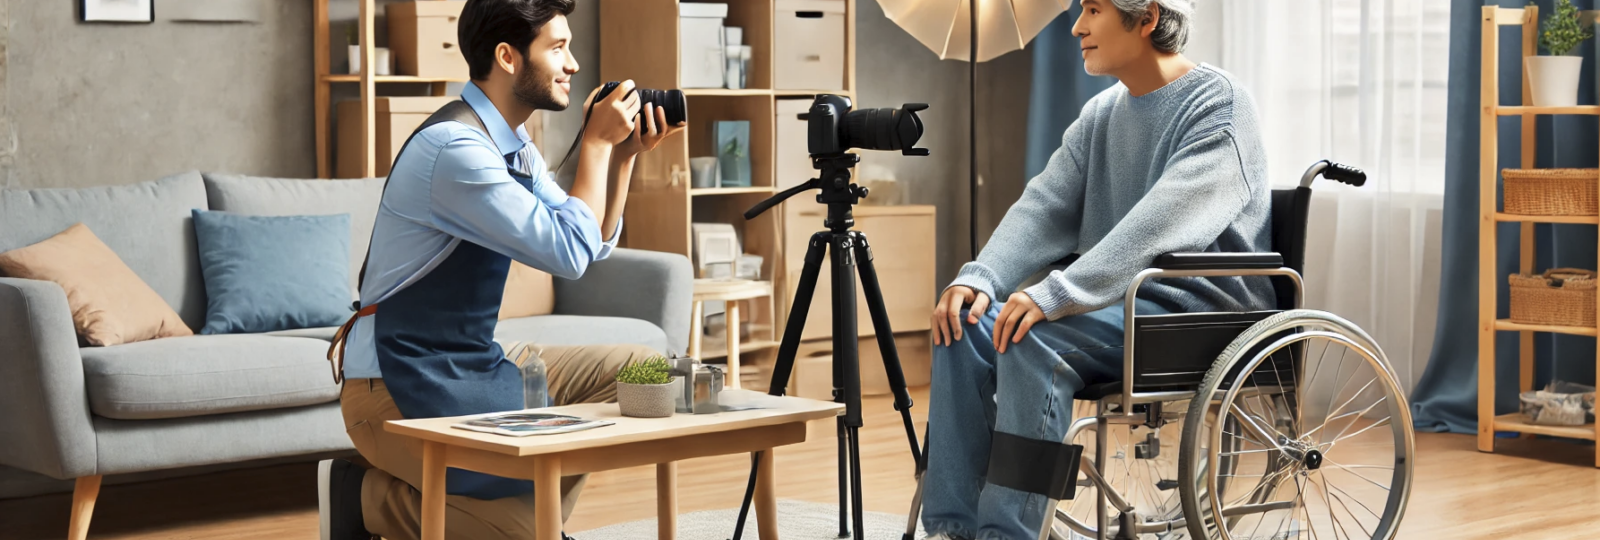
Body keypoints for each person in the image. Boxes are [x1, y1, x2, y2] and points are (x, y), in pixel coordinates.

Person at [315, 0, 685, 538]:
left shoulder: (513, 145)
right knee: (522, 529)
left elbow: (590, 246)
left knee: (644, 369)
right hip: (393, 383)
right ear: (508, 57)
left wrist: (623, 156)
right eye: (558, 48)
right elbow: (566, 252)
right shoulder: (457, 150)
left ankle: (528, 508)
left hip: (474, 360)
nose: (574, 64)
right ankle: (360, 496)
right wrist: (597, 148)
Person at [920, 0, 1274, 538]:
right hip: (1118, 301)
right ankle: (952, 527)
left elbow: (1160, 223)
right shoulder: (1103, 112)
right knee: (963, 326)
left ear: (1147, 17)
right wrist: (980, 277)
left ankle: (1005, 533)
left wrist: (1059, 292)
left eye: (1094, 9)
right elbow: (1044, 206)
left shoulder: (1219, 106)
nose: (1077, 26)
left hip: (1196, 312)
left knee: (1029, 338)